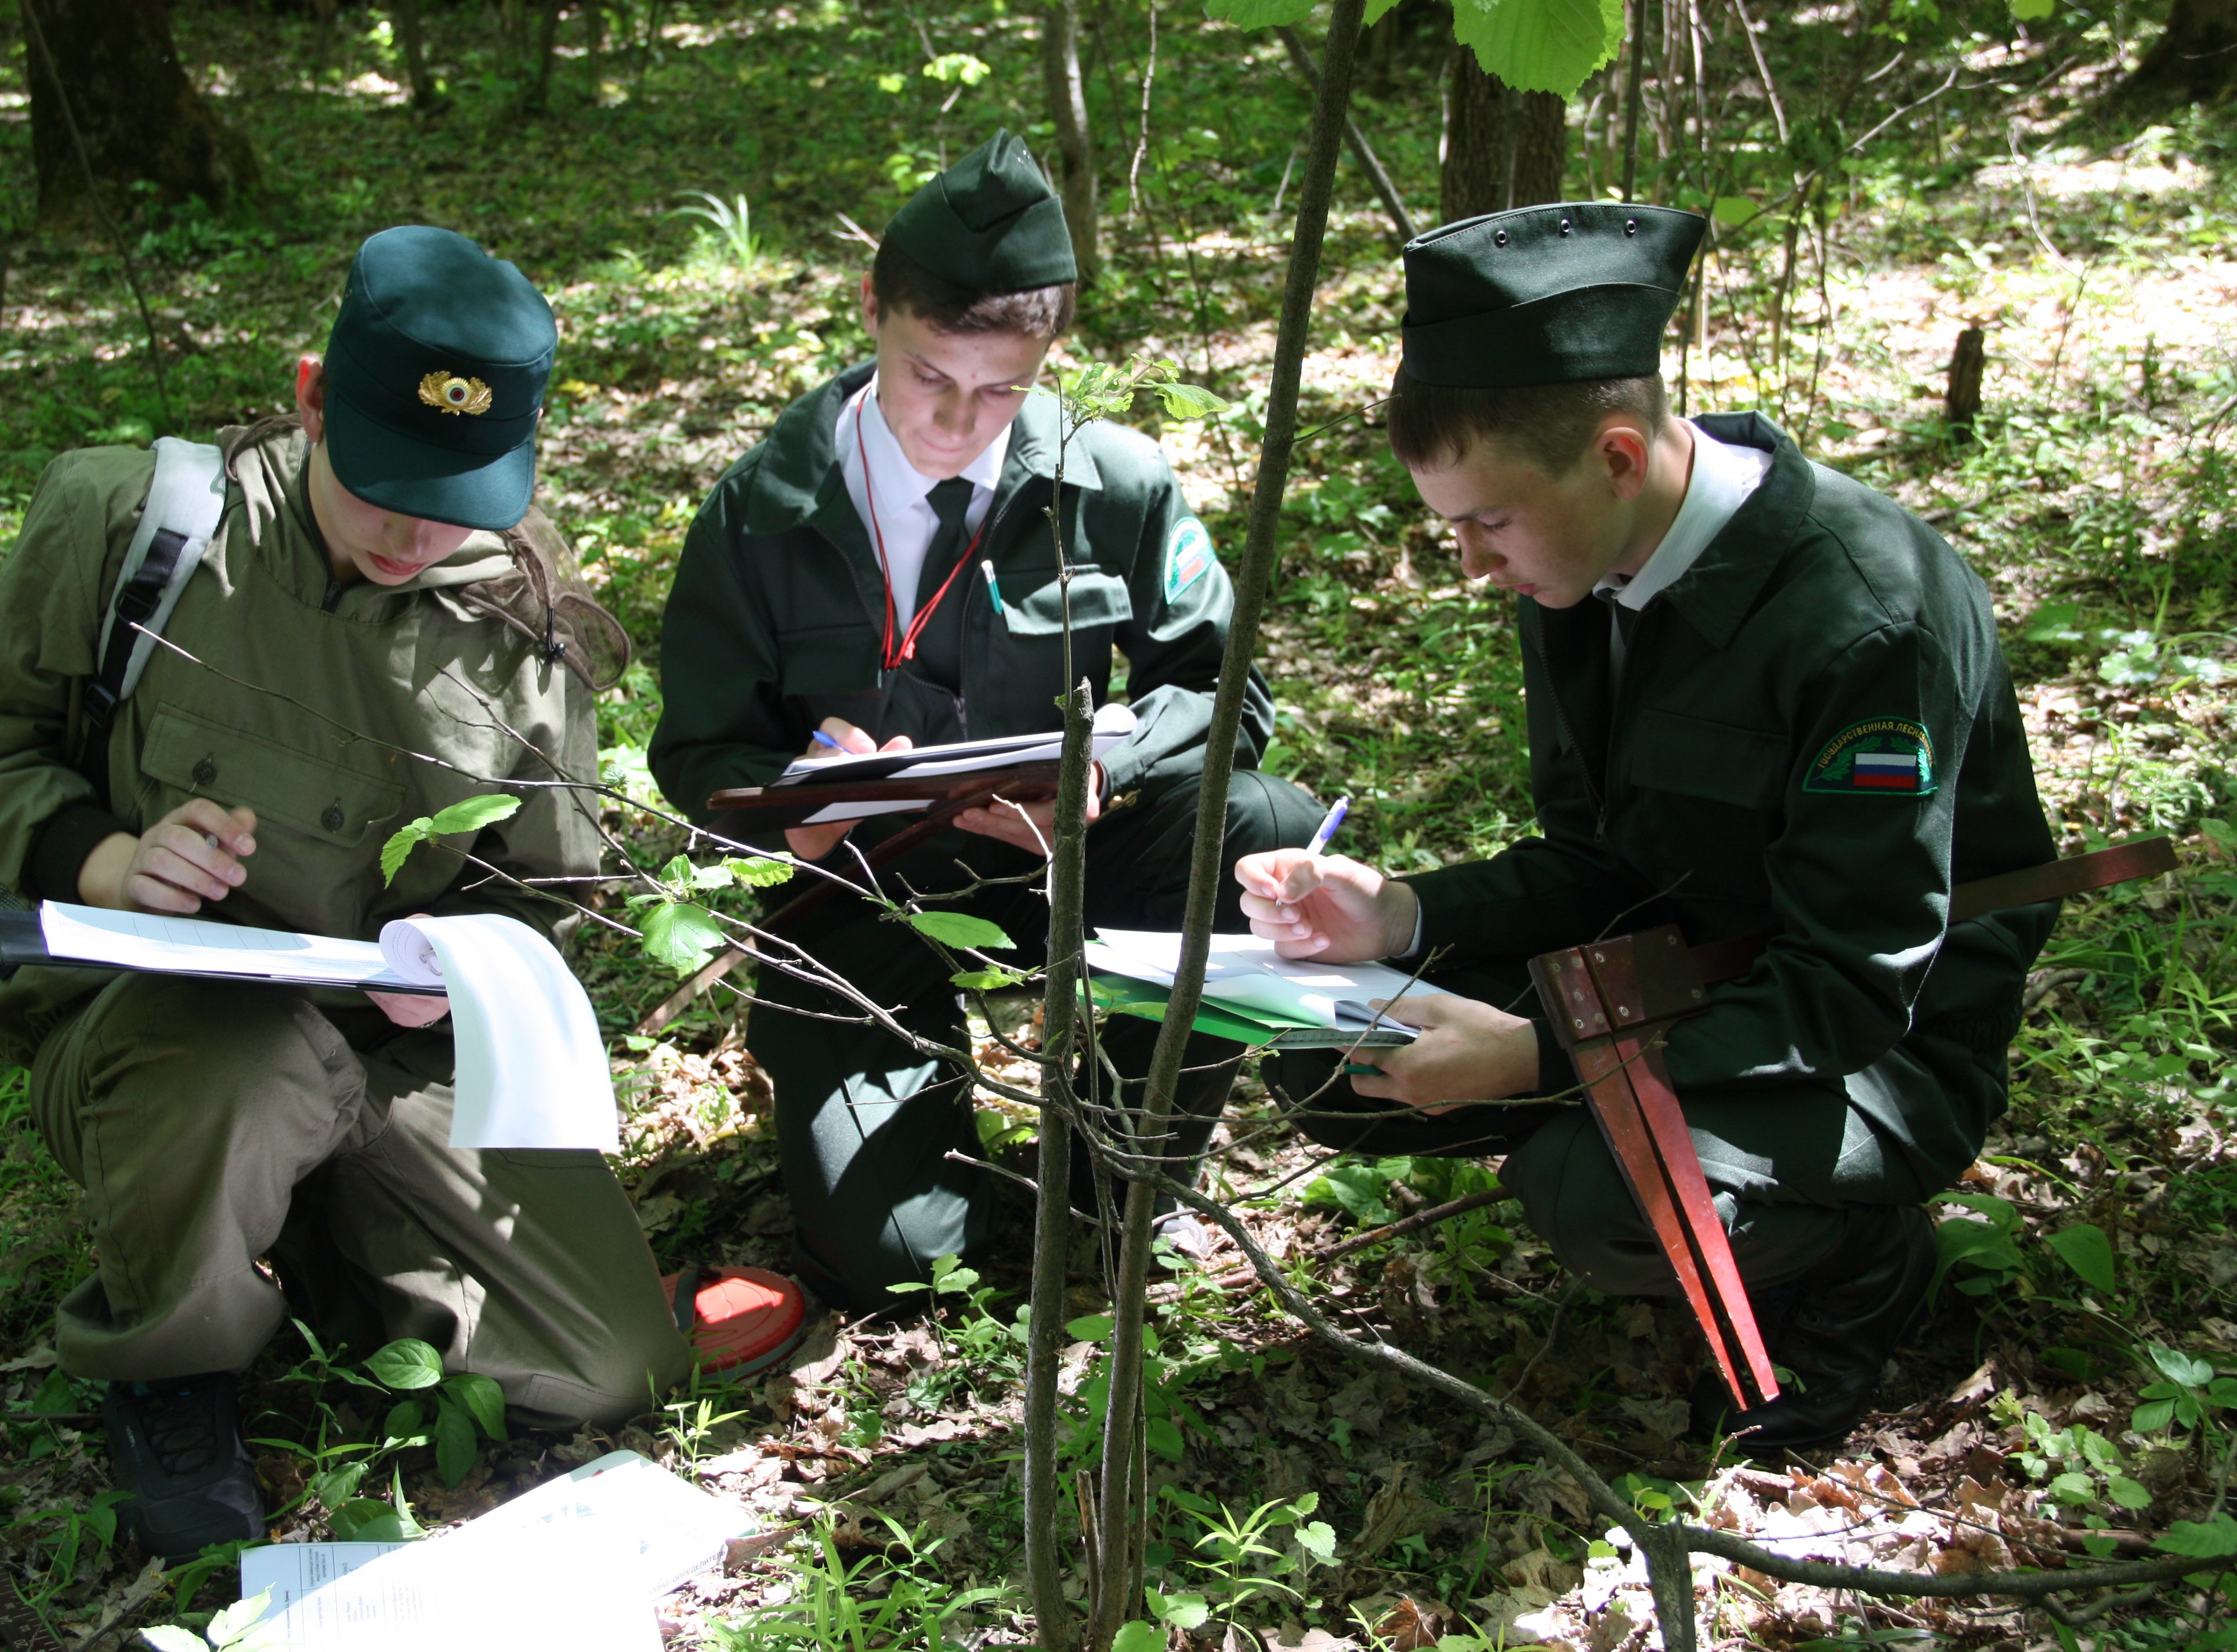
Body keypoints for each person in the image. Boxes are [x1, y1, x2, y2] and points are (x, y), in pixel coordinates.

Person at [0, 226, 690, 1559]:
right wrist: (103, 856)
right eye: (384, 480)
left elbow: (554, 890)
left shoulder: (524, 620)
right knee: (236, 1074)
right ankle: (175, 1361)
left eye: (458, 491)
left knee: (607, 1362)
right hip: (150, 1028)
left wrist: (457, 961)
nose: (415, 530)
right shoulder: (137, 524)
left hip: (389, 1053)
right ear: (316, 392)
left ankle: (300, 1225)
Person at [1237, 202, 2059, 1451]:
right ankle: (1694, 1183)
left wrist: (1533, 1056)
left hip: (1876, 1038)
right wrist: (1403, 912)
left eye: (1489, 522)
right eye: (1453, 524)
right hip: (1683, 964)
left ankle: (1858, 1261)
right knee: (1335, 1049)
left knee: (1591, 1182)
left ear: (1619, 455)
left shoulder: (1864, 615)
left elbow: (1846, 986)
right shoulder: (1578, 562)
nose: (1470, 562)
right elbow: (1598, 859)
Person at [650, 131, 1324, 1310]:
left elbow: (1225, 692)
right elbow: (697, 754)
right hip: (854, 897)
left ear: (1050, 353)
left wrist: (1097, 775)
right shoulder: (763, 511)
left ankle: (1126, 1173)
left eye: (1004, 388)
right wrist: (793, 807)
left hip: (1066, 862)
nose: (961, 419)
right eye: (929, 376)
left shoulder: (1113, 485)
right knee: (903, 1267)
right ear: (872, 311)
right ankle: (930, 1162)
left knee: (1259, 820)